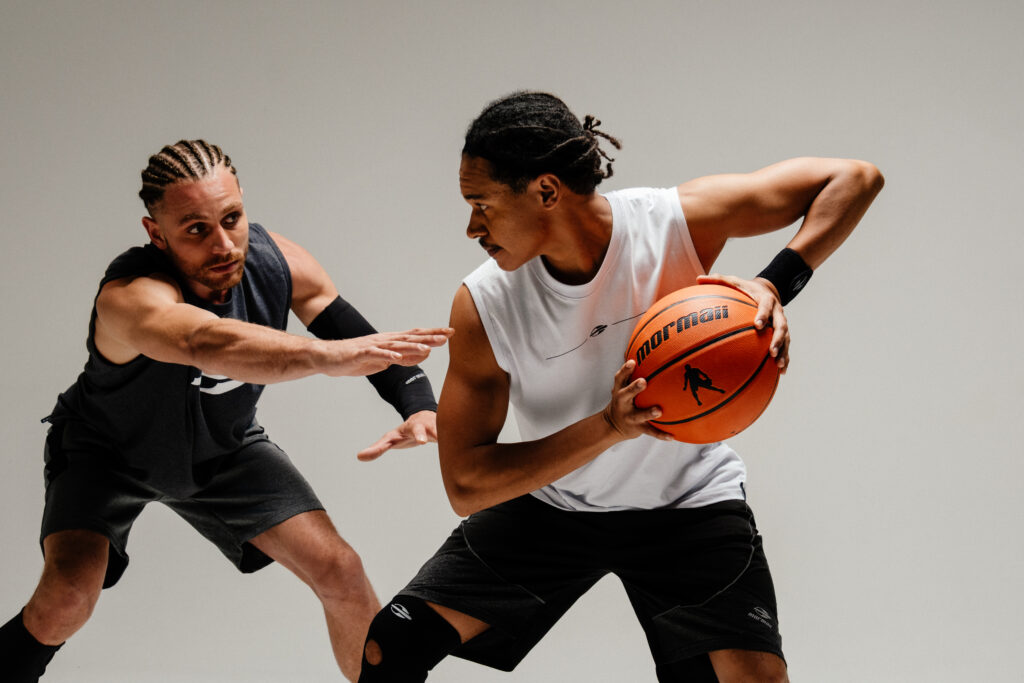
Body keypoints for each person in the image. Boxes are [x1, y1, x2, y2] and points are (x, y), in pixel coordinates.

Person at [357, 92, 884, 682]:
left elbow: (855, 178)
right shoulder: (486, 304)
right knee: (391, 645)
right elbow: (465, 483)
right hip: (553, 510)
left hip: (689, 506)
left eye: (481, 204)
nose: (471, 226)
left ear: (547, 192)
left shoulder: (673, 222)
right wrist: (607, 427)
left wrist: (772, 286)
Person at [0, 140, 453, 682]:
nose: (222, 244)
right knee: (67, 600)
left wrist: (420, 406)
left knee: (341, 568)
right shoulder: (130, 297)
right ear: (156, 234)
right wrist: (328, 357)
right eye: (195, 229)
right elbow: (207, 343)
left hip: (224, 451)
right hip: (107, 454)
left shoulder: (278, 260)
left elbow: (364, 341)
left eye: (232, 218)